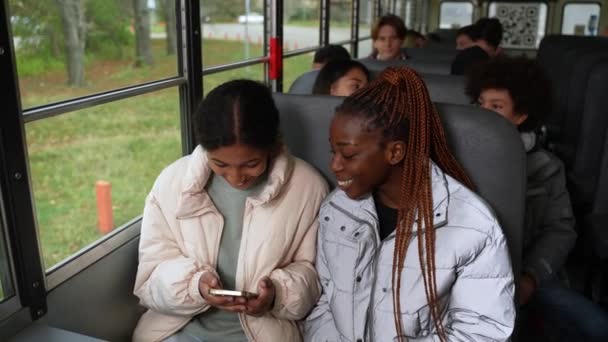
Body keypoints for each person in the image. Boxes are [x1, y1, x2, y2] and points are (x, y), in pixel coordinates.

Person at [304, 66, 515, 341]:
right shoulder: (337, 209)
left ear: (395, 152)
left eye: (349, 155)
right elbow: (323, 303)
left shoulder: (472, 225)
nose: (334, 166)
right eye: (334, 152)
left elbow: (483, 333)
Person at [132, 80, 329, 342]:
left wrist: (277, 295)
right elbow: (150, 277)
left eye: (251, 164)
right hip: (178, 333)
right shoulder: (172, 183)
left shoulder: (307, 187)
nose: (236, 177)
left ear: (271, 146)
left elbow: (315, 277)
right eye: (220, 164)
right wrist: (195, 287)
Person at [466, 57, 608, 342]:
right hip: (468, 275)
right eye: (480, 104)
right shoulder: (457, 154)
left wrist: (531, 276)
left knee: (597, 327)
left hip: (525, 271)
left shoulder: (545, 166)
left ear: (520, 116)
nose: (483, 114)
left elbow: (560, 229)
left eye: (495, 107)